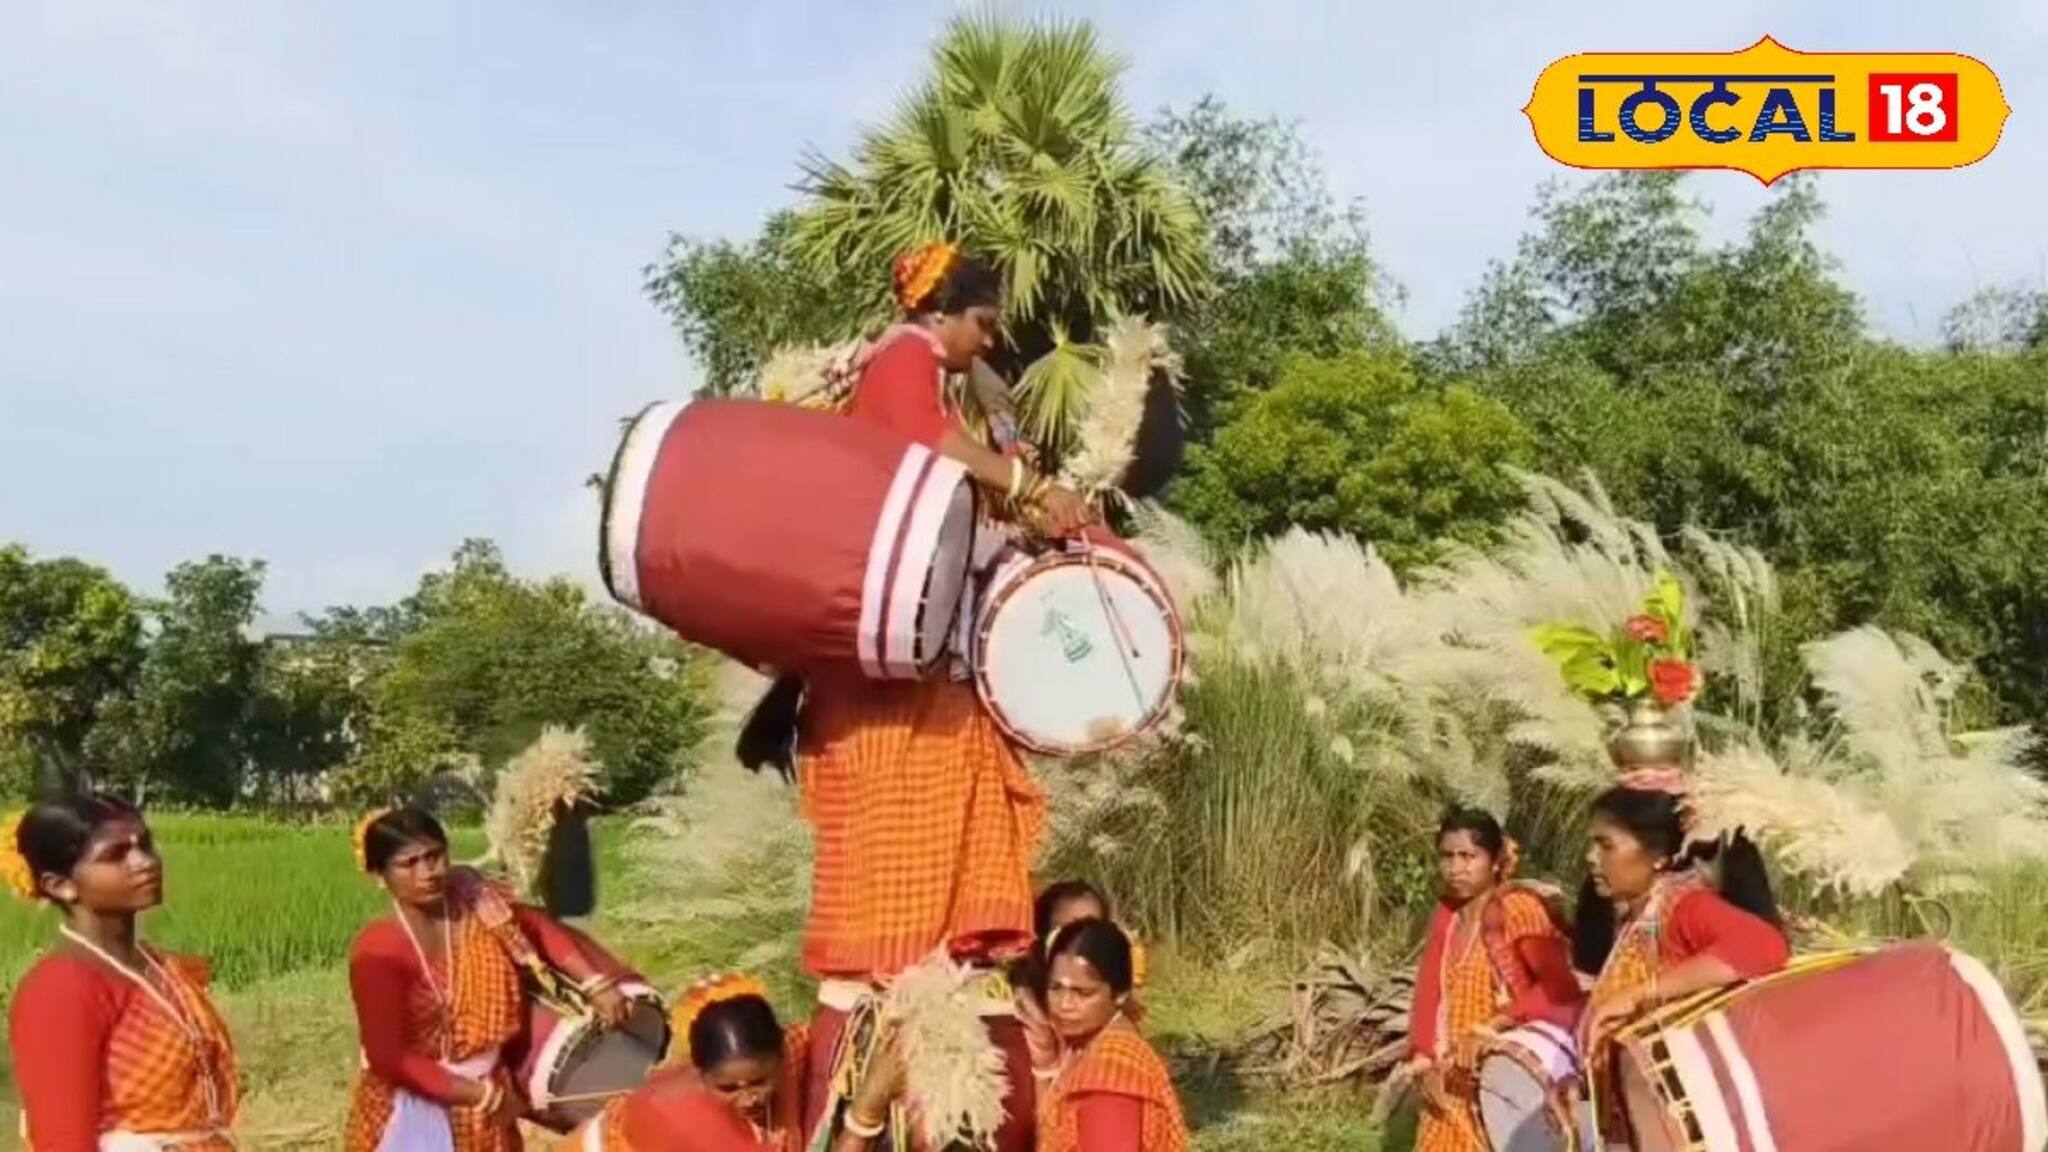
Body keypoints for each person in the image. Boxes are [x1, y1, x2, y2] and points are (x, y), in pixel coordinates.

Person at [767, 245, 1098, 1152]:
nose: (987, 340)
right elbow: (927, 444)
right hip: (896, 714)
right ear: (941, 312)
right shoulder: (904, 357)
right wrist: (1029, 484)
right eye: (982, 323)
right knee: (889, 930)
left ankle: (928, 1078)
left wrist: (1027, 494)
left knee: (933, 926)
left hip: (918, 702)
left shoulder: (944, 382)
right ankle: (869, 1098)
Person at [342, 806, 633, 1152]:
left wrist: (596, 983)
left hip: (486, 1107)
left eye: (434, 856)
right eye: (410, 863)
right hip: (408, 1109)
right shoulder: (379, 950)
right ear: (380, 875)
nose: (428, 872)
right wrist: (479, 1095)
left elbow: (537, 929)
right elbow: (388, 1057)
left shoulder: (480, 908)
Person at [5, 792, 241, 1152]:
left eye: (145, 845)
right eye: (116, 855)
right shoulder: (60, 991)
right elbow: (63, 1143)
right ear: (61, 885)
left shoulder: (155, 964)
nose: (145, 862)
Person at [1571, 776, 1790, 1146]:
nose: (1591, 857)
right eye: (1593, 844)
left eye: (1606, 845)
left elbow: (1764, 946)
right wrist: (1579, 1093)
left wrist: (1641, 993)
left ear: (1657, 856)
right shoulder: (1636, 919)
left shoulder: (1683, 907)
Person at [1398, 807, 1580, 1152]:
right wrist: (1423, 1058)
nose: (1456, 868)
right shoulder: (1447, 915)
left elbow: (1559, 989)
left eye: (1468, 856)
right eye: (1447, 856)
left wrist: (1491, 1028)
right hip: (1448, 1080)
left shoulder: (1518, 909)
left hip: (1500, 1079)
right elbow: (1428, 992)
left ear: (1496, 861)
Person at [556, 973, 903, 1152]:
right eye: (728, 1088)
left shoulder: (789, 1050)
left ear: (779, 1056)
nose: (749, 1098)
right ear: (701, 1074)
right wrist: (864, 1115)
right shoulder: (690, 1120)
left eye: (759, 1082)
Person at [1032, 918, 1188, 1152]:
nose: (1065, 1004)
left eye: (1083, 993)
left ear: (1120, 994)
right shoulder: (1092, 1047)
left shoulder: (1109, 1072)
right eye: (1055, 988)